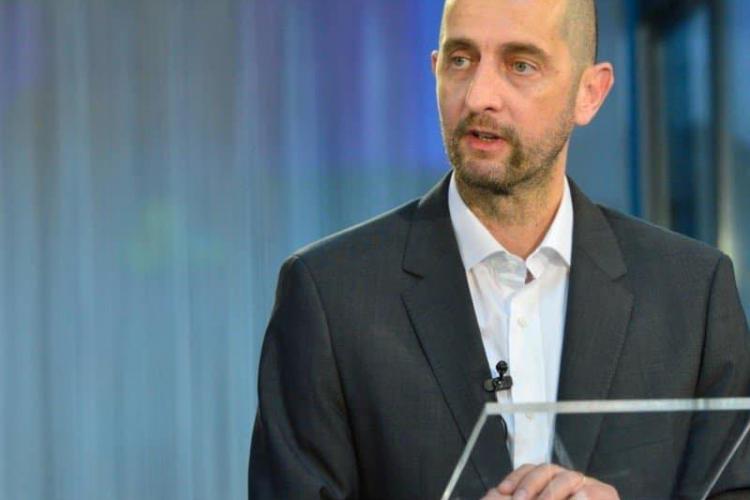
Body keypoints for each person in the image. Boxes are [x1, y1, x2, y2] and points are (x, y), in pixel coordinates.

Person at [249, 0, 750, 498]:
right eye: (460, 59)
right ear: (435, 69)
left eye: (520, 65)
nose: (479, 96)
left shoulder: (693, 294)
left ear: (590, 93)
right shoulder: (329, 297)